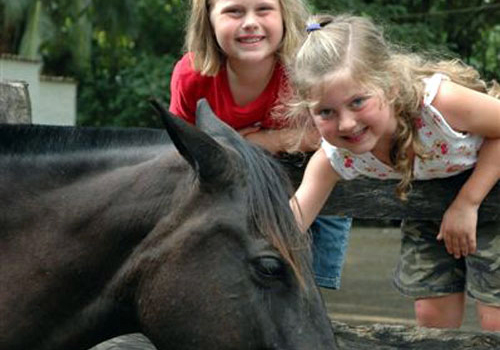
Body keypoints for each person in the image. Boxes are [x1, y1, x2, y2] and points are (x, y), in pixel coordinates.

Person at [288, 13, 500, 330]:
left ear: (389, 85)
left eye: (358, 101)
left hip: (490, 190)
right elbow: (291, 220)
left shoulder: (438, 104)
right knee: (431, 320)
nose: (346, 123)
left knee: (495, 317)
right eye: (326, 112)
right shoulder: (335, 156)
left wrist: (468, 202)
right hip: (428, 208)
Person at [169, 0, 352, 289]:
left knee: (304, 293)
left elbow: (335, 131)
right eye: (234, 11)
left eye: (263, 9)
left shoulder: (304, 67)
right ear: (209, 21)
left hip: (312, 186)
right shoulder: (192, 76)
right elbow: (181, 143)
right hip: (235, 192)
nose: (250, 21)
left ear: (284, 15)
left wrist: (262, 141)